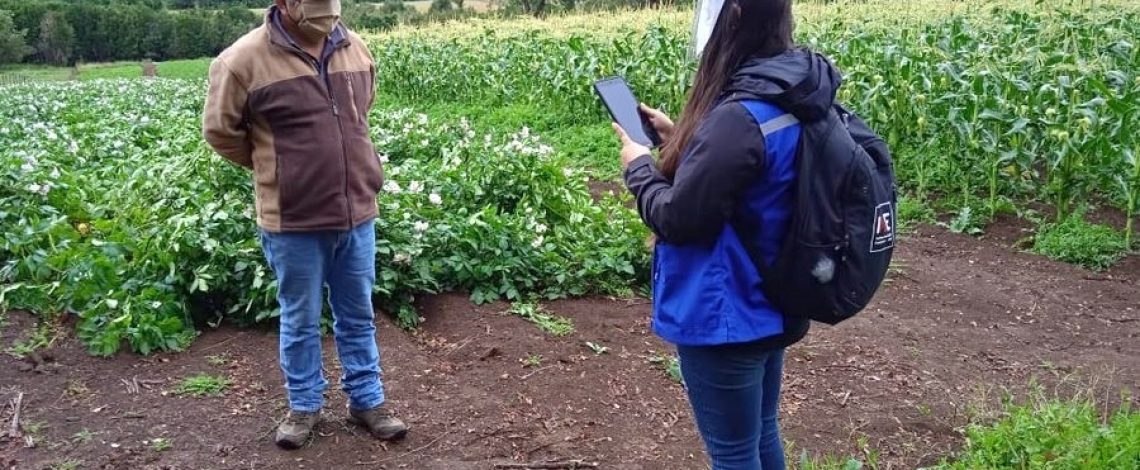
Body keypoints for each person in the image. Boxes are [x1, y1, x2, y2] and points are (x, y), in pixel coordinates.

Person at [611, 0, 845, 468]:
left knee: (733, 453)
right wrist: (680, 137)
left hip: (725, 311)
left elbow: (678, 219)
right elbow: (753, 173)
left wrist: (639, 168)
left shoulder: (737, 116)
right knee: (759, 435)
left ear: (733, 18)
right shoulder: (791, 91)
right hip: (774, 301)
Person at [202, 0, 407, 450]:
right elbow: (220, 131)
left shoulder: (354, 46)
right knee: (300, 319)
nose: (328, 8)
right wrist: (277, 169)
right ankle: (304, 406)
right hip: (292, 221)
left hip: (356, 213)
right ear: (286, 3)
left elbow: (360, 113)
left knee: (357, 314)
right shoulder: (241, 61)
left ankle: (367, 400)